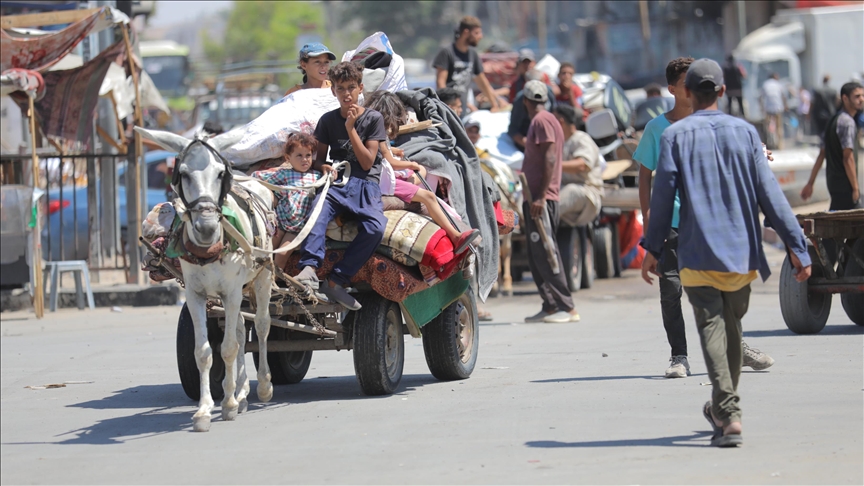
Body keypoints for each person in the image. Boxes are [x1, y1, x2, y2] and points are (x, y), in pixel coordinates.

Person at [641, 58, 812, 448]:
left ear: (687, 91)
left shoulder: (675, 136)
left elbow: (662, 197)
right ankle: (725, 407)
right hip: (741, 254)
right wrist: (796, 247)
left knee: (715, 330)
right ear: (721, 91)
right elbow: (770, 197)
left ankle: (728, 412)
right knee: (730, 330)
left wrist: (651, 247)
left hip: (696, 250)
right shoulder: (746, 133)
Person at [635, 57, 774, 379]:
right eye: (688, 81)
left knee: (722, 286)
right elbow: (645, 175)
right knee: (671, 289)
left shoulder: (714, 122)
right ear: (673, 89)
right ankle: (679, 356)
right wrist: (648, 219)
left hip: (708, 220)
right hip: (671, 221)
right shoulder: (659, 129)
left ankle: (737, 347)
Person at [295, 62, 389, 311]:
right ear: (333, 91)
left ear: (360, 88)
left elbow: (367, 162)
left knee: (376, 228)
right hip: (339, 182)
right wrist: (320, 167)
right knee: (317, 210)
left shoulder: (373, 119)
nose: (346, 94)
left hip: (365, 185)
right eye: (340, 89)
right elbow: (318, 158)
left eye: (351, 88)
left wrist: (350, 128)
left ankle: (337, 280)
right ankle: (309, 268)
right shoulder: (327, 121)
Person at [363, 90, 481, 253]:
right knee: (429, 196)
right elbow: (390, 162)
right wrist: (411, 165)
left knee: (422, 179)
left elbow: (384, 151)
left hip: (382, 179)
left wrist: (394, 150)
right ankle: (455, 235)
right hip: (385, 183)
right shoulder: (379, 134)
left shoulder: (370, 131)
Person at [519, 80, 580, 324]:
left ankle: (567, 306)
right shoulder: (548, 119)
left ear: (525, 101)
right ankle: (551, 305)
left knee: (546, 252)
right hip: (536, 198)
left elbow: (551, 156)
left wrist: (542, 196)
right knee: (537, 255)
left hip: (541, 200)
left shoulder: (542, 120)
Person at [252, 133, 320, 271]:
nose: (305, 160)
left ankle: (273, 285)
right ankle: (256, 283)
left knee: (281, 255)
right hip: (280, 223)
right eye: (299, 156)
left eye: (308, 155)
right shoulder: (284, 174)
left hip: (298, 228)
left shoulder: (316, 177)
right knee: (265, 252)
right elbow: (259, 178)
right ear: (288, 158)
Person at [801, 81, 864, 210]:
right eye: (857, 96)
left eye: (863, 96)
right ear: (845, 98)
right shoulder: (847, 122)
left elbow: (821, 154)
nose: (861, 99)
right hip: (846, 186)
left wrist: (810, 183)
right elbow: (848, 158)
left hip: (834, 186)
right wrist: (855, 188)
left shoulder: (832, 120)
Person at [432, 16, 501, 114]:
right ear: (465, 32)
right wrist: (447, 106)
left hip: (462, 109)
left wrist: (494, 104)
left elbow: (482, 82)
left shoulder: (472, 54)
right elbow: (441, 85)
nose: (480, 36)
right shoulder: (447, 52)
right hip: (448, 110)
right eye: (477, 33)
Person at [553, 104, 603, 228]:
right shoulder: (558, 142)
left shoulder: (581, 139)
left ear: (561, 121)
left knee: (571, 191)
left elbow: (582, 165)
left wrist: (553, 166)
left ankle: (541, 218)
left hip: (587, 192)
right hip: (563, 188)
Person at [508, 69, 557, 150]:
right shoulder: (520, 100)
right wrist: (530, 144)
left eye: (539, 83)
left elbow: (554, 116)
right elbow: (513, 130)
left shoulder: (549, 93)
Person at [761, 73, 787, 149]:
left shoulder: (765, 84)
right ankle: (780, 145)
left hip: (768, 108)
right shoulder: (778, 84)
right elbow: (783, 96)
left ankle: (769, 143)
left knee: (767, 126)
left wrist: (762, 108)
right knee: (779, 127)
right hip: (778, 107)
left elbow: (761, 97)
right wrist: (785, 105)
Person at [810, 75, 840, 140]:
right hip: (831, 114)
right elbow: (837, 102)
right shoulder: (833, 90)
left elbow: (812, 103)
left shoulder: (818, 90)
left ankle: (824, 146)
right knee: (830, 132)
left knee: (821, 133)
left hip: (820, 115)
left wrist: (809, 113)